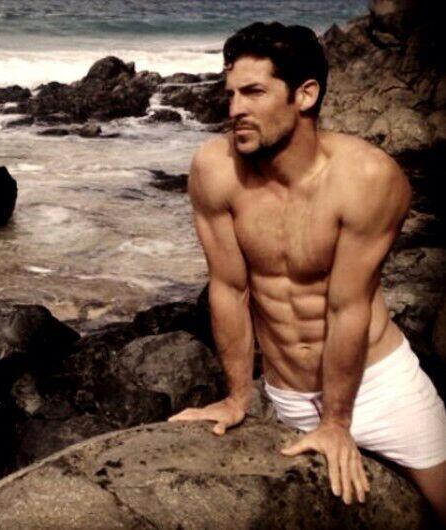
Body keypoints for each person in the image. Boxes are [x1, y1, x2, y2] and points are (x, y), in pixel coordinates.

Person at [167, 22, 446, 523]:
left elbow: (347, 307)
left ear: (305, 95)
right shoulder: (215, 170)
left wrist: (338, 422)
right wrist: (237, 398)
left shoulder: (366, 178)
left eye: (254, 92)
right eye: (230, 94)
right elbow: (229, 289)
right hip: (289, 397)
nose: (235, 110)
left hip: (380, 387)